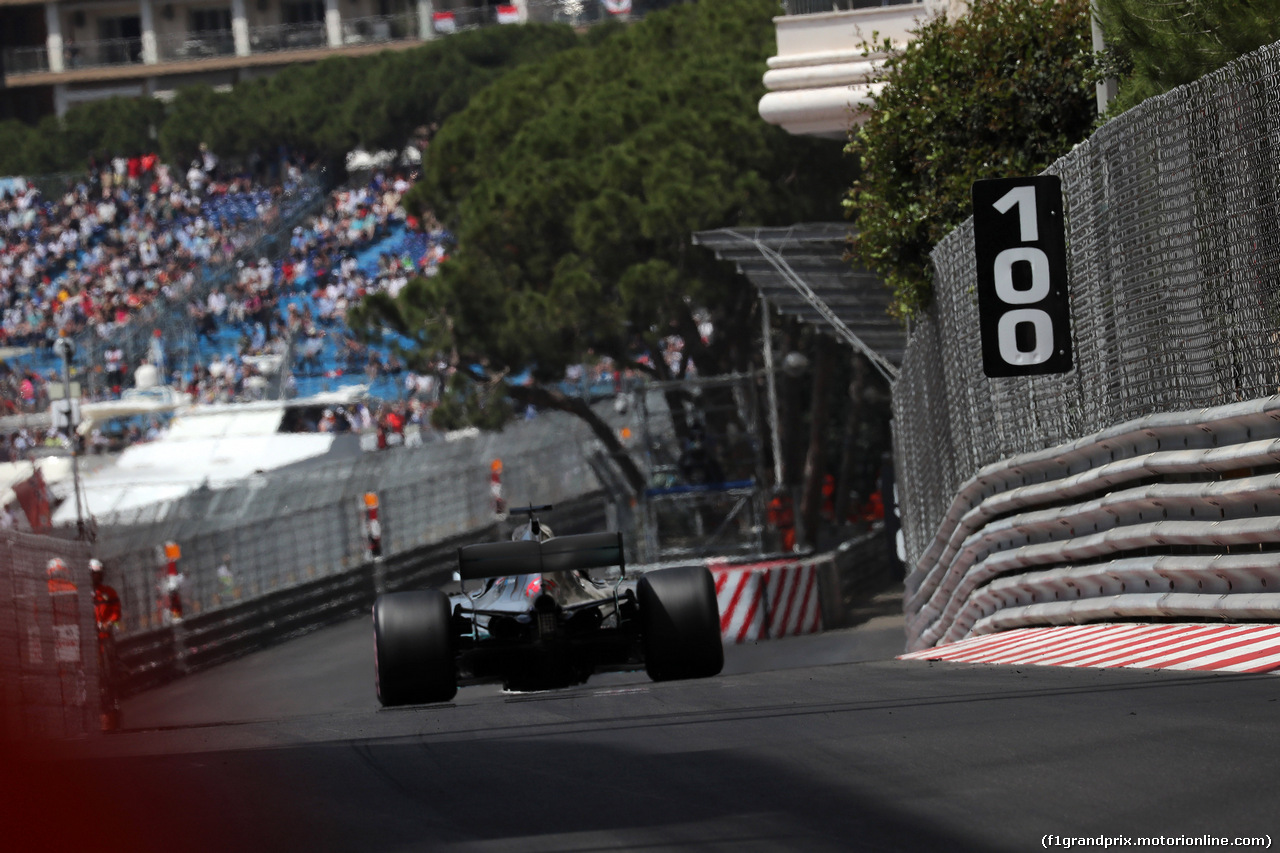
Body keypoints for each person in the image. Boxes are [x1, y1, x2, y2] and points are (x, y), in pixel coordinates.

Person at [89, 558, 123, 730]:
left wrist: (109, 623)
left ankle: (115, 698)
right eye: (94, 574)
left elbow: (117, 613)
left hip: (106, 637)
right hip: (90, 640)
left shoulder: (109, 592)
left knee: (111, 667)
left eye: (98, 574)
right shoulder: (84, 594)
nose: (96, 577)